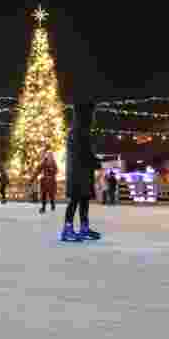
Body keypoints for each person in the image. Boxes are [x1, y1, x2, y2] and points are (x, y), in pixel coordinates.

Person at [61, 99, 100, 242]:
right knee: (75, 200)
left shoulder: (81, 131)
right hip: (78, 172)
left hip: (84, 171)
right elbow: (83, 152)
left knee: (84, 200)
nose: (93, 119)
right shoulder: (78, 132)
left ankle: (84, 227)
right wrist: (96, 162)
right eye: (91, 116)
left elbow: (86, 152)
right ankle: (67, 229)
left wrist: (93, 162)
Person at [36, 149, 58, 214]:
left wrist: (52, 170)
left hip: (51, 181)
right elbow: (39, 167)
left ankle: (52, 204)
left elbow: (56, 170)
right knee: (43, 194)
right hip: (44, 180)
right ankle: (43, 207)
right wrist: (43, 161)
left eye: (50, 155)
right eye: (48, 155)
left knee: (51, 195)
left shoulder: (53, 162)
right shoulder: (44, 161)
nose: (48, 156)